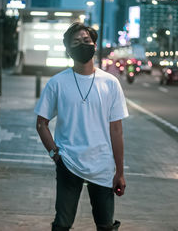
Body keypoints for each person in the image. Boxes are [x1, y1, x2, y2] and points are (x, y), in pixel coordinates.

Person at [34, 22, 129, 231]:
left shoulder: (110, 83)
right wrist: (55, 154)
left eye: (87, 40)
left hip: (103, 165)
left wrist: (119, 172)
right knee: (62, 224)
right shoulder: (57, 83)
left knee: (105, 225)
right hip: (68, 162)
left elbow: (116, 130)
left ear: (94, 45)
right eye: (76, 42)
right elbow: (41, 123)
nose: (83, 44)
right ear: (68, 50)